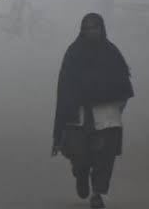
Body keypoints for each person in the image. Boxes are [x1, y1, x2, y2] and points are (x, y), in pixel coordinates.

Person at [52, 13, 134, 209]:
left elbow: (123, 85)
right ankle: (81, 174)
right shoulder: (73, 53)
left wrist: (118, 109)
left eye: (95, 27)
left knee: (104, 158)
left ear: (102, 29)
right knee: (79, 156)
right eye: (87, 28)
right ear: (82, 30)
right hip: (77, 115)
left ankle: (98, 193)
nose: (91, 32)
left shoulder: (111, 53)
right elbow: (64, 85)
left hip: (107, 116)